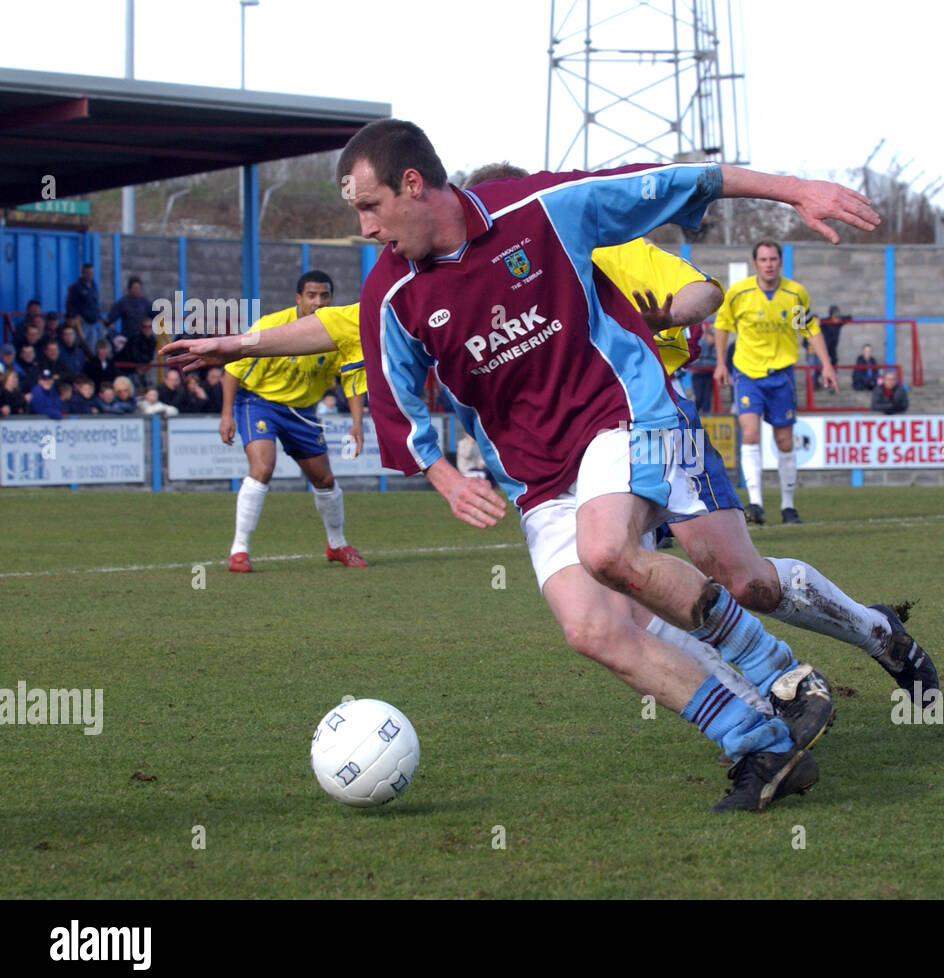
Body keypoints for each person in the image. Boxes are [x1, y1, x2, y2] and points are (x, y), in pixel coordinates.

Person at [168, 119, 906, 812]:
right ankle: (758, 743)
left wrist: (796, 189)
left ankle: (782, 672)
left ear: (415, 184)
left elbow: (681, 177)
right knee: (590, 628)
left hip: (624, 412)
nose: (364, 228)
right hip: (537, 476)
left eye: (370, 207)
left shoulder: (541, 209)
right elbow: (395, 402)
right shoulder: (390, 295)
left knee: (613, 551)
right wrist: (442, 473)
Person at [221, 270, 367, 573]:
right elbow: (233, 370)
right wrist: (226, 415)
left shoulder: (337, 334)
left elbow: (351, 376)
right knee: (262, 468)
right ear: (298, 298)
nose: (318, 302)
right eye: (311, 295)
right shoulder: (271, 326)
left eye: (324, 295)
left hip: (302, 412)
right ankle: (239, 550)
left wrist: (357, 422)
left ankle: (337, 544)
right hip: (259, 402)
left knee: (325, 481)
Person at [712, 240, 837, 525]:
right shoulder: (739, 294)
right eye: (763, 259)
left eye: (773, 259)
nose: (769, 264)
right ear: (755, 263)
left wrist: (826, 364)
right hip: (747, 373)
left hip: (781, 375)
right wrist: (721, 362)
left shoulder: (794, 294)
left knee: (783, 440)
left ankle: (788, 505)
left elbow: (809, 328)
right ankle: (755, 503)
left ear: (780, 262)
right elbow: (722, 326)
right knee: (751, 432)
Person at [65, 264, 105, 349]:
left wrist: (99, 317)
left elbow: (96, 303)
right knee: (82, 345)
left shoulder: (94, 286)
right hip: (83, 322)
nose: (89, 275)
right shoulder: (76, 287)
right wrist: (76, 315)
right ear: (83, 273)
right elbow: (71, 304)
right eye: (87, 273)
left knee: (93, 346)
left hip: (94, 322)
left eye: (91, 273)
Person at [814, 304, 849, 388]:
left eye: (838, 317)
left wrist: (841, 318)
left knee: (833, 363)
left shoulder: (839, 323)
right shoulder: (825, 322)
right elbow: (816, 320)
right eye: (835, 317)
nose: (836, 319)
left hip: (833, 347)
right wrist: (817, 320)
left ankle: (831, 382)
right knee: (821, 364)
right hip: (824, 347)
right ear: (831, 315)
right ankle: (816, 382)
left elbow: (848, 317)